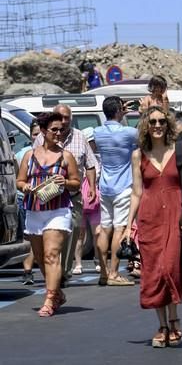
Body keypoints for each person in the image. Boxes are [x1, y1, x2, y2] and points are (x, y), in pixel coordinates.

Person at [124, 106, 182, 348]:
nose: (157, 125)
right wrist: (128, 224)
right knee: (154, 273)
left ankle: (174, 319)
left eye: (161, 121)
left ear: (168, 125)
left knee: (169, 269)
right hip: (149, 218)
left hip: (175, 215)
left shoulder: (179, 148)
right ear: (146, 125)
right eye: (152, 121)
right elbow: (136, 192)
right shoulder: (138, 155)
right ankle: (163, 325)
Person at [16, 112, 81, 317]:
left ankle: (49, 298)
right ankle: (57, 294)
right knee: (42, 258)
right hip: (35, 210)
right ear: (43, 131)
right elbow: (19, 181)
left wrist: (66, 183)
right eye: (54, 130)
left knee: (52, 254)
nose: (59, 133)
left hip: (59, 209)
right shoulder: (30, 155)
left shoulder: (66, 156)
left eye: (62, 130)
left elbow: (76, 182)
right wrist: (25, 186)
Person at [34, 104, 98, 284]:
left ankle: (64, 271)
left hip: (73, 194)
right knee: (49, 235)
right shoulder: (42, 137)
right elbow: (33, 161)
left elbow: (90, 164)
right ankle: (53, 271)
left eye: (66, 118)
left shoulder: (80, 137)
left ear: (71, 118)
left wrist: (92, 187)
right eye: (59, 118)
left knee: (73, 231)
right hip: (50, 196)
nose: (62, 122)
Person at [94, 97, 139, 286]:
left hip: (105, 186)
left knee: (105, 228)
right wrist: (126, 114)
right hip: (123, 186)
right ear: (120, 110)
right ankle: (113, 273)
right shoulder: (129, 132)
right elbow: (142, 137)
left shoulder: (97, 132)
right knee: (119, 229)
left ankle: (103, 273)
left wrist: (120, 112)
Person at [73, 127, 102, 276]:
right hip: (79, 199)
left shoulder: (97, 159)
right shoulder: (77, 157)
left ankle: (98, 260)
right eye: (92, 142)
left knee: (97, 232)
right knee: (79, 234)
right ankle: (78, 263)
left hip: (94, 200)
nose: (94, 144)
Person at [16, 119, 40, 285]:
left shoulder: (54, 154)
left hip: (49, 202)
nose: (37, 137)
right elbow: (18, 179)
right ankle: (27, 271)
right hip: (26, 200)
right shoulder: (24, 154)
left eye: (40, 133)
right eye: (34, 134)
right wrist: (25, 188)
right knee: (29, 236)